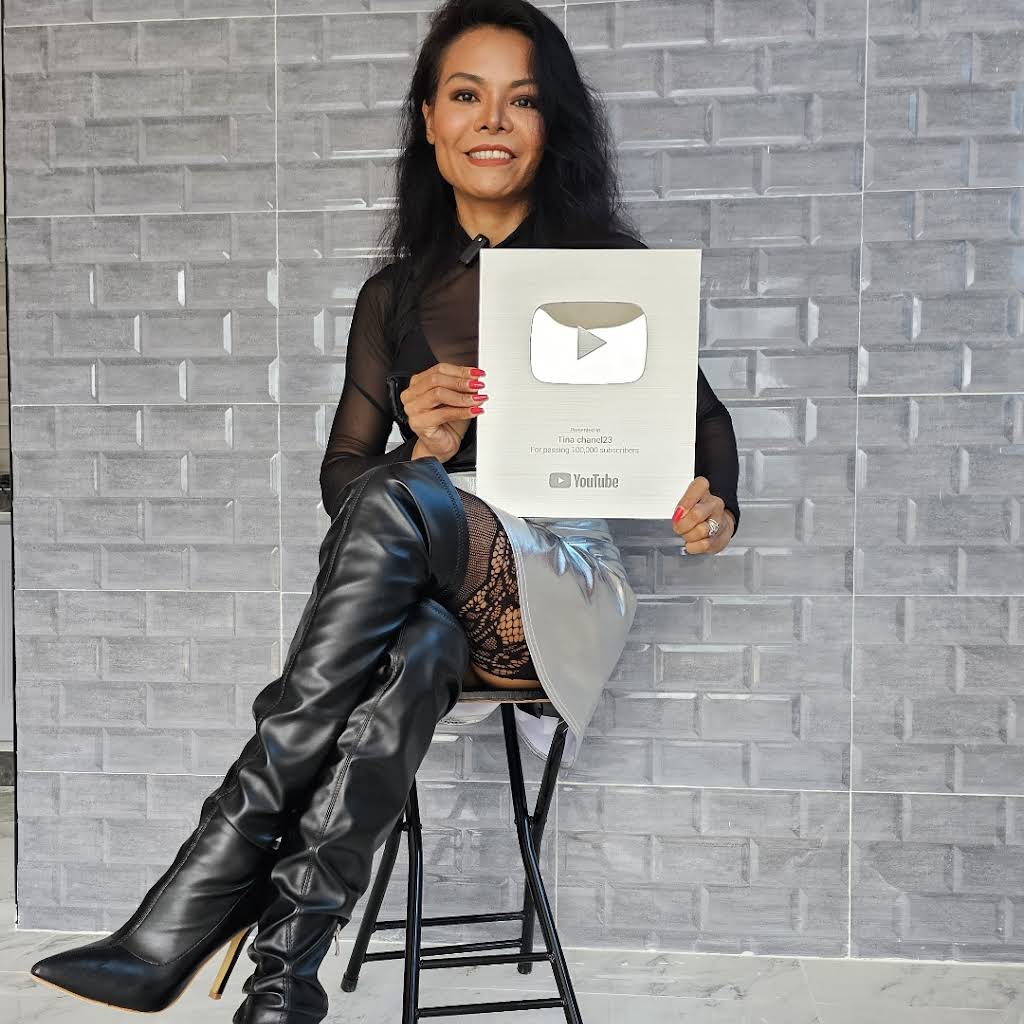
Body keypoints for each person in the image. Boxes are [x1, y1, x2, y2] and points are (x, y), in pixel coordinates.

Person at [29, 1, 740, 1021]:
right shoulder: (394, 299)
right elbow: (343, 484)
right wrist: (425, 448)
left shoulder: (609, 271)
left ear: (551, 126)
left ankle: (204, 880)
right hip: (435, 598)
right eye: (467, 95)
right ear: (430, 120)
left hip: (554, 593)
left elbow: (702, 423)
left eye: (523, 100)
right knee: (414, 644)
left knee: (403, 500)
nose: (492, 120)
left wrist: (716, 506)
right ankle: (283, 983)